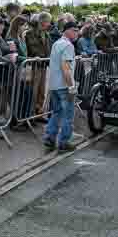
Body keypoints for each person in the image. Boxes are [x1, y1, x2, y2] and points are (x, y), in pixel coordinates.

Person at [44, 21, 80, 153]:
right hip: (64, 85)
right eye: (75, 30)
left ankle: (49, 137)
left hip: (54, 84)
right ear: (68, 31)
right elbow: (65, 67)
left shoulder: (56, 43)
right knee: (68, 115)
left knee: (57, 112)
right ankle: (64, 142)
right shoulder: (68, 45)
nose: (77, 33)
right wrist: (71, 86)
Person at [25, 12, 52, 122]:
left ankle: (39, 112)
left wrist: (48, 59)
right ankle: (31, 114)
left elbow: (48, 49)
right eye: (48, 22)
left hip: (43, 65)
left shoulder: (46, 34)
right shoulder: (30, 34)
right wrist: (43, 57)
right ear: (42, 21)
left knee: (42, 90)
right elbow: (32, 48)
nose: (49, 24)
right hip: (34, 66)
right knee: (34, 91)